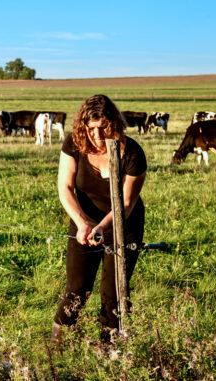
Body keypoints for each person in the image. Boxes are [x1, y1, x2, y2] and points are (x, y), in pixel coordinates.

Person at [52, 94, 147, 346]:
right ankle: (58, 349)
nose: (96, 134)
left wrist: (103, 227)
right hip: (83, 222)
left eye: (102, 126)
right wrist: (83, 223)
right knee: (77, 290)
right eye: (90, 127)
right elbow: (64, 187)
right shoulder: (74, 144)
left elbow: (126, 204)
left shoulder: (133, 154)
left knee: (113, 294)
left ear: (113, 123)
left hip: (122, 226)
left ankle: (110, 350)